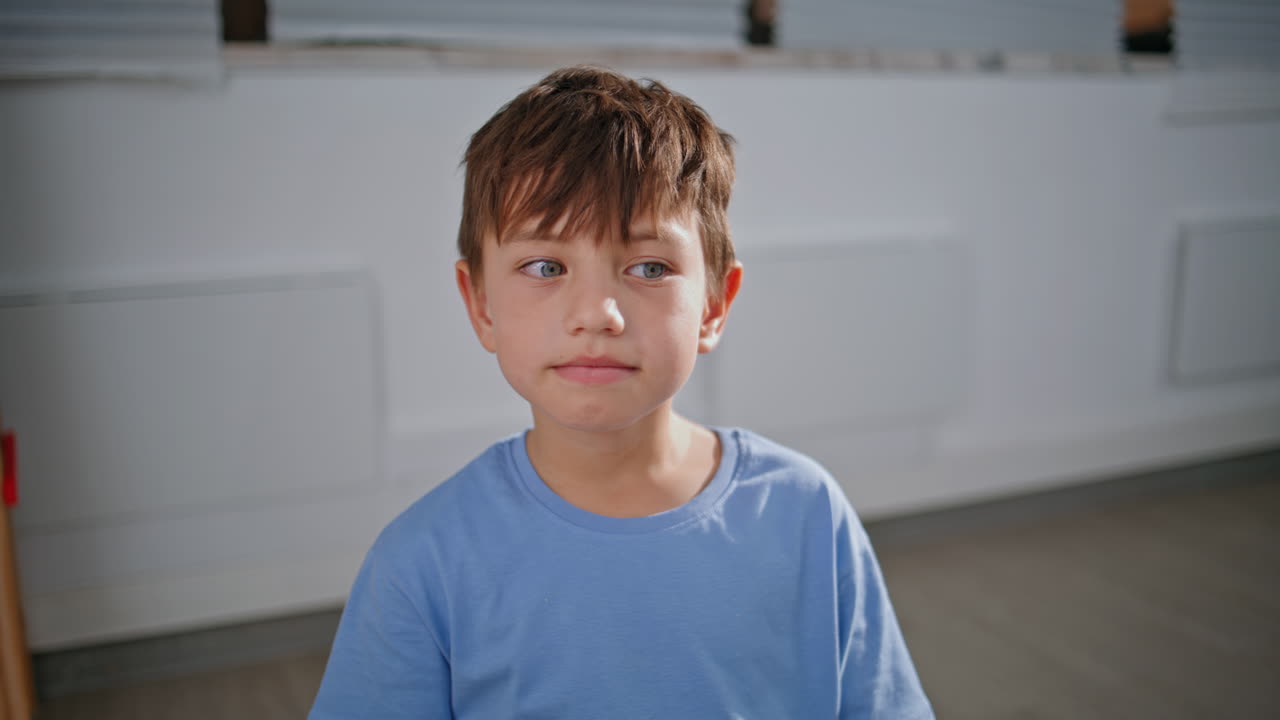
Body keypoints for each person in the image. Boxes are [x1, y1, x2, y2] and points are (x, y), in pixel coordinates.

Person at [309, 65, 933, 719]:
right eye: (545, 266)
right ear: (481, 304)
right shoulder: (422, 562)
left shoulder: (806, 515)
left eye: (648, 267)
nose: (597, 313)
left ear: (715, 304)